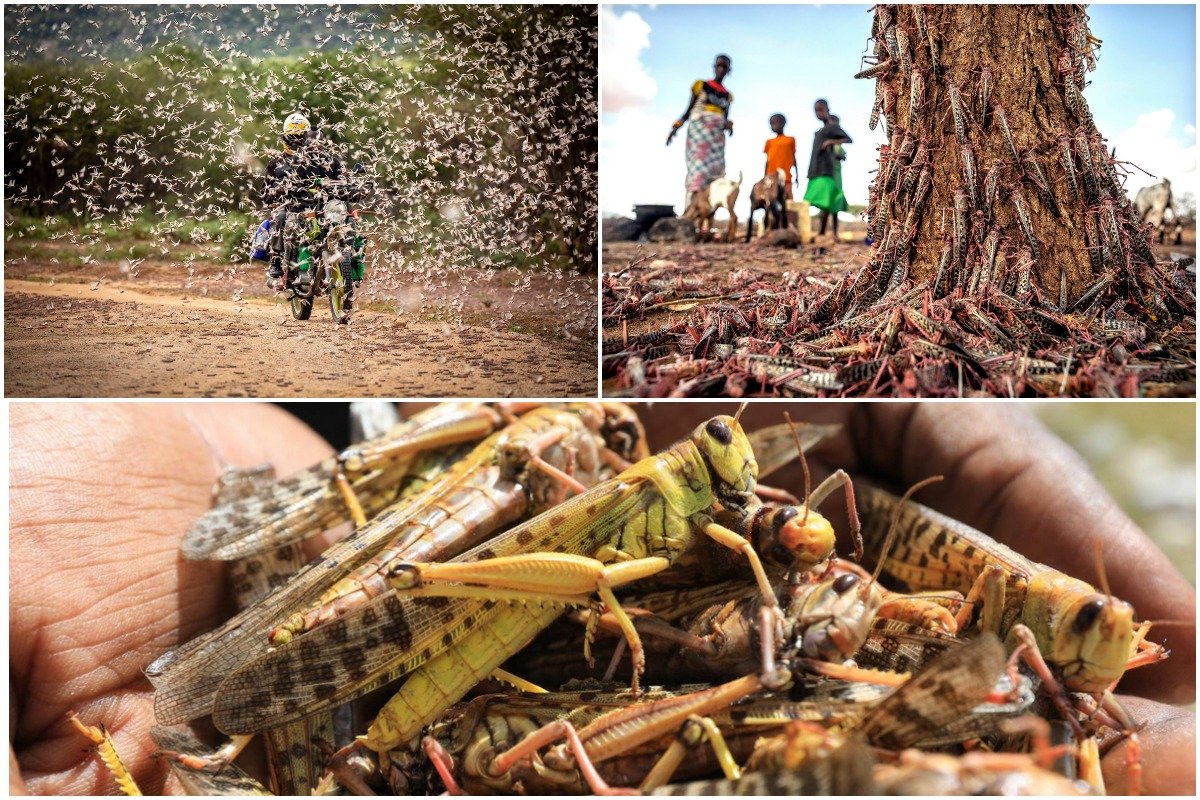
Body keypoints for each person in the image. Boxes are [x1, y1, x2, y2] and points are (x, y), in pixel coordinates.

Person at [8, 403, 1195, 794]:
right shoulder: (646, 495)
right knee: (562, 584)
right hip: (464, 613)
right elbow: (608, 579)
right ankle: (259, 670)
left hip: (544, 634)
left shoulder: (722, 519)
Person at [261, 112, 364, 303]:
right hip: (296, 209)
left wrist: (357, 188)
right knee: (280, 216)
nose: (298, 142)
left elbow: (344, 181)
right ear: (285, 138)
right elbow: (266, 194)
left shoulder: (328, 160)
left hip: (327, 209)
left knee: (351, 221)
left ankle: (352, 265)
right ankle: (276, 263)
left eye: (302, 137)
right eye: (293, 138)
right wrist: (281, 189)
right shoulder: (278, 163)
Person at [666, 54, 734, 209]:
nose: (721, 69)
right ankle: (690, 210)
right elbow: (688, 110)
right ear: (714, 67)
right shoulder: (701, 85)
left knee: (715, 175)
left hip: (717, 139)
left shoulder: (728, 96)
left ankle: (705, 214)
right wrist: (675, 128)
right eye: (719, 66)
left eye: (725, 67)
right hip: (699, 134)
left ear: (729, 70)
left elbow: (725, 118)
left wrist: (728, 126)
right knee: (698, 170)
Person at [803, 99, 852, 243]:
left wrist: (831, 142)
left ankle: (823, 233)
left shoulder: (831, 127)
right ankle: (822, 232)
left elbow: (848, 140)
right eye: (816, 110)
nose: (819, 113)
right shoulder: (819, 131)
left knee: (827, 202)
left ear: (827, 110)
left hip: (829, 171)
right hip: (816, 169)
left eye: (821, 110)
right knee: (817, 201)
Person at [763, 113, 799, 200]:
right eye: (771, 124)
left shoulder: (790, 140)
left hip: (786, 176)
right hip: (771, 177)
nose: (774, 126)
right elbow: (767, 161)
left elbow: (794, 158)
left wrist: (797, 175)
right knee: (770, 200)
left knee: (788, 199)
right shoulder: (769, 142)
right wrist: (764, 177)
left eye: (776, 123)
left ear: (783, 123)